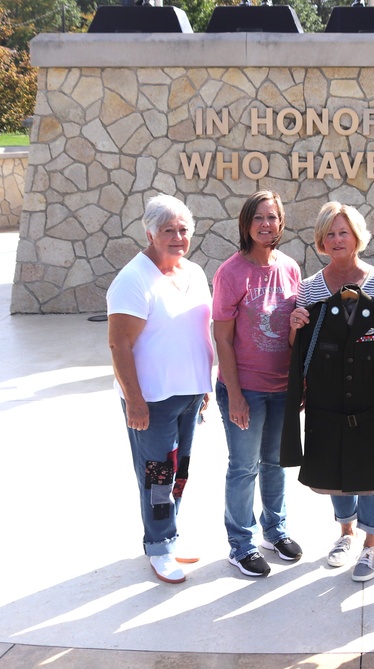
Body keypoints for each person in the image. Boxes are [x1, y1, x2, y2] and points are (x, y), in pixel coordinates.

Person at [283, 202, 374, 583]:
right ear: (321, 241)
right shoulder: (308, 289)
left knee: (373, 467)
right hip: (327, 396)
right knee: (335, 466)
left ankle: (371, 544)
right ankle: (345, 533)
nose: (337, 239)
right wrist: (295, 325)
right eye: (330, 233)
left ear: (357, 236)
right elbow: (299, 347)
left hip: (372, 397)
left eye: (343, 232)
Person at [107, 193, 214, 584]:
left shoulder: (194, 273)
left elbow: (198, 332)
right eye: (168, 229)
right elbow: (119, 344)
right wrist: (134, 401)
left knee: (178, 471)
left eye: (183, 229)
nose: (177, 236)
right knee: (156, 476)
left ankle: (167, 535)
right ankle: (159, 547)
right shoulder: (133, 280)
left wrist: (203, 385)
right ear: (150, 233)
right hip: (151, 400)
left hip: (188, 395)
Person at [213, 190, 303, 578]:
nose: (266, 225)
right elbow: (223, 338)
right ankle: (241, 544)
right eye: (258, 219)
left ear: (281, 223)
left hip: (281, 387)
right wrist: (235, 394)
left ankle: (274, 530)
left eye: (273, 218)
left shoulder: (290, 268)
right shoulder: (231, 272)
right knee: (244, 467)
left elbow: (293, 334)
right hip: (244, 387)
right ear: (246, 225)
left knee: (275, 464)